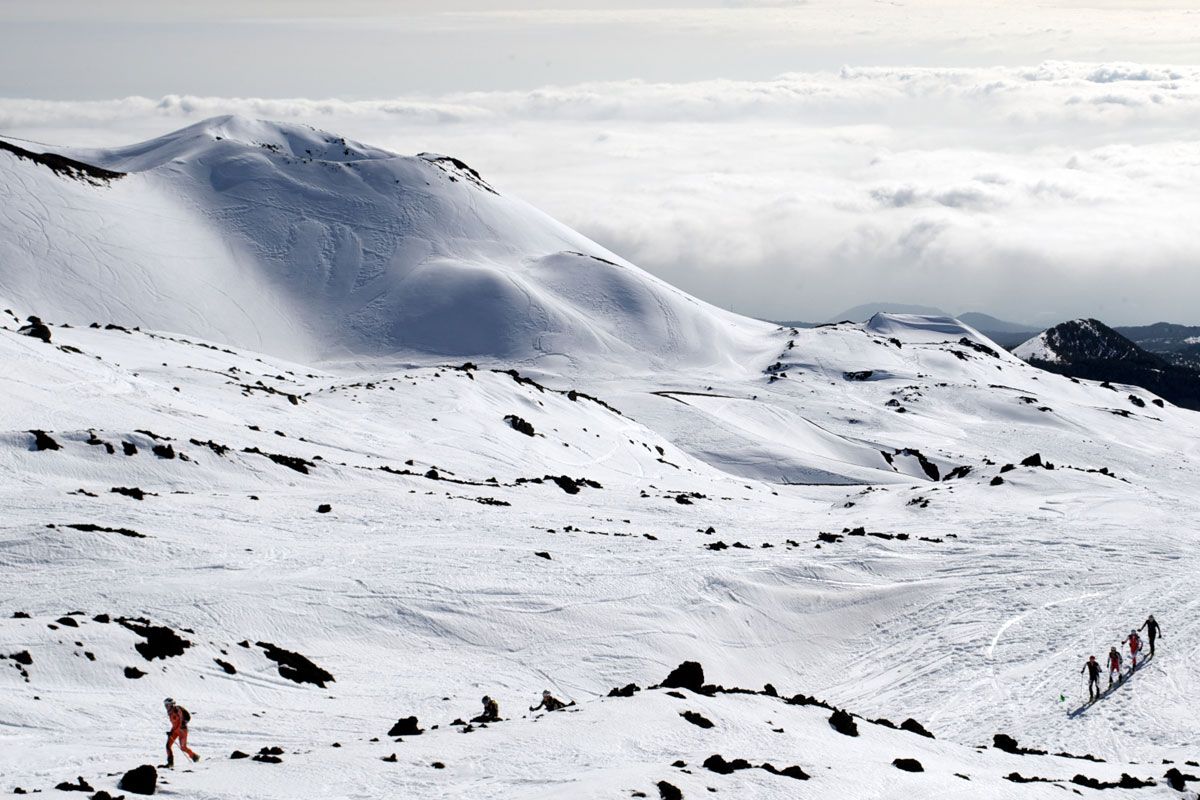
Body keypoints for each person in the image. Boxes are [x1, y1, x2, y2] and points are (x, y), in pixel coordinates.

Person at [163, 698, 199, 768]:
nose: (166, 707)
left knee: (183, 747)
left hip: (182, 730)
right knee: (168, 746)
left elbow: (181, 721)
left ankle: (195, 757)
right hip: (175, 730)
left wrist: (175, 729)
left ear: (171, 704)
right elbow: (175, 724)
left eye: (167, 705)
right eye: (165, 705)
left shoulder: (177, 710)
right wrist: (171, 731)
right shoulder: (170, 713)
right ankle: (170, 763)